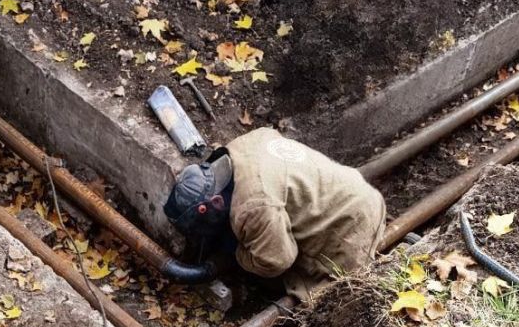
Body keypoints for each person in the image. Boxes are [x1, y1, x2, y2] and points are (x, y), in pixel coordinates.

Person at [163, 127, 386, 303]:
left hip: (349, 226)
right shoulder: (239, 148)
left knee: (320, 296)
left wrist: (238, 253)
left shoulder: (253, 207)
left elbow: (277, 260)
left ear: (217, 202)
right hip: (347, 188)